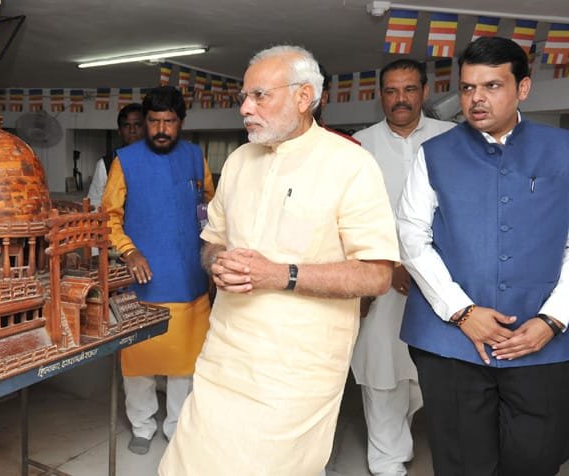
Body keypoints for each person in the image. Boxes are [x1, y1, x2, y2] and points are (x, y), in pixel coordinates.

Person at [159, 45, 399, 476]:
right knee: (187, 465)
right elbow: (211, 242)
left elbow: (377, 275)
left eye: (259, 96)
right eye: (243, 98)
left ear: (304, 97)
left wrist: (280, 274)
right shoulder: (237, 161)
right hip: (225, 357)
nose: (245, 109)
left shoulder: (351, 165)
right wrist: (216, 262)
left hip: (297, 370)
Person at [397, 36, 569, 476]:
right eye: (469, 87)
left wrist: (553, 320)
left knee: (536, 456)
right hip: (450, 340)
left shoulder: (562, 150)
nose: (476, 99)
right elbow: (412, 237)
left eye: (492, 86)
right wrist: (461, 311)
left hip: (541, 339)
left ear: (522, 89)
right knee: (461, 462)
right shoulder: (433, 153)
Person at [350, 59, 454, 476]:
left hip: (442, 281)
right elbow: (349, 219)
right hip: (381, 280)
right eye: (391, 91)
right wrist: (387, 267)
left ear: (424, 92)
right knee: (380, 368)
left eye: (409, 90)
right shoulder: (360, 145)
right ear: (381, 95)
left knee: (425, 373)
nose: (400, 99)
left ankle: (400, 437)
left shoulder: (452, 139)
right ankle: (387, 459)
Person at [101, 85, 214, 455]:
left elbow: (212, 211)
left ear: (180, 122)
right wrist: (129, 252)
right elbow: (107, 219)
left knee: (185, 362)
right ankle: (142, 425)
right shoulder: (126, 161)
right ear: (145, 122)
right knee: (138, 361)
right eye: (153, 121)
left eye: (169, 121)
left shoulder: (196, 158)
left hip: (189, 278)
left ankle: (178, 426)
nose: (161, 129)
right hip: (141, 281)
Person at [87, 103, 144, 209]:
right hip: (115, 224)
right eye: (127, 125)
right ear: (119, 131)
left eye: (138, 125)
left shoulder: (159, 160)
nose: (132, 130)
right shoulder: (106, 163)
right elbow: (94, 203)